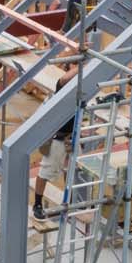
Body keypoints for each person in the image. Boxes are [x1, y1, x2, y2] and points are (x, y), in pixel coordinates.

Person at [33, 66, 81, 222]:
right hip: (57, 139)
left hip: (72, 137)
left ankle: (69, 202)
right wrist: (86, 65)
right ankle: (38, 204)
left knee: (72, 169)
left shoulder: (79, 93)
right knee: (46, 171)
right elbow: (64, 79)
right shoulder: (61, 90)